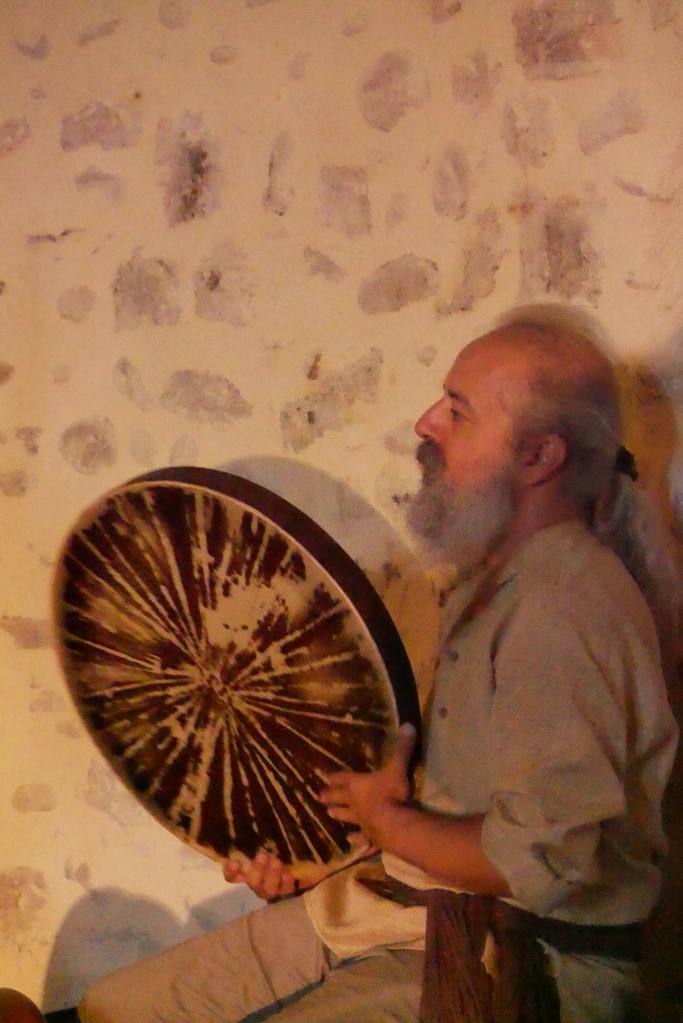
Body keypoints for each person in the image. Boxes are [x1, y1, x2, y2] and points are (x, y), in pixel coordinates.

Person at [78, 305, 679, 1023]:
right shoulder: (491, 580)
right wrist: (318, 857)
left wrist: (386, 822)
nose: (426, 423)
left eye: (456, 410)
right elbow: (464, 800)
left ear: (538, 458)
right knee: (111, 1008)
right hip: (396, 906)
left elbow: (538, 857)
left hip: (519, 953)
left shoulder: (565, 607)